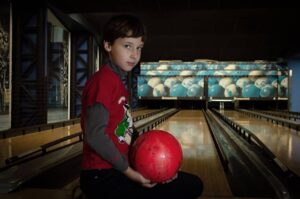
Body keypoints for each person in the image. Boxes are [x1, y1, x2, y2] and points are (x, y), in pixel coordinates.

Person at [79, 14, 203, 199]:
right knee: (191, 186)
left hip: (115, 171)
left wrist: (162, 170)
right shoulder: (103, 82)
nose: (134, 54)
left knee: (187, 183)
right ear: (108, 45)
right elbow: (94, 135)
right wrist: (130, 172)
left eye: (139, 48)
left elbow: (127, 132)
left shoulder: (118, 83)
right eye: (127, 46)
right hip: (101, 177)